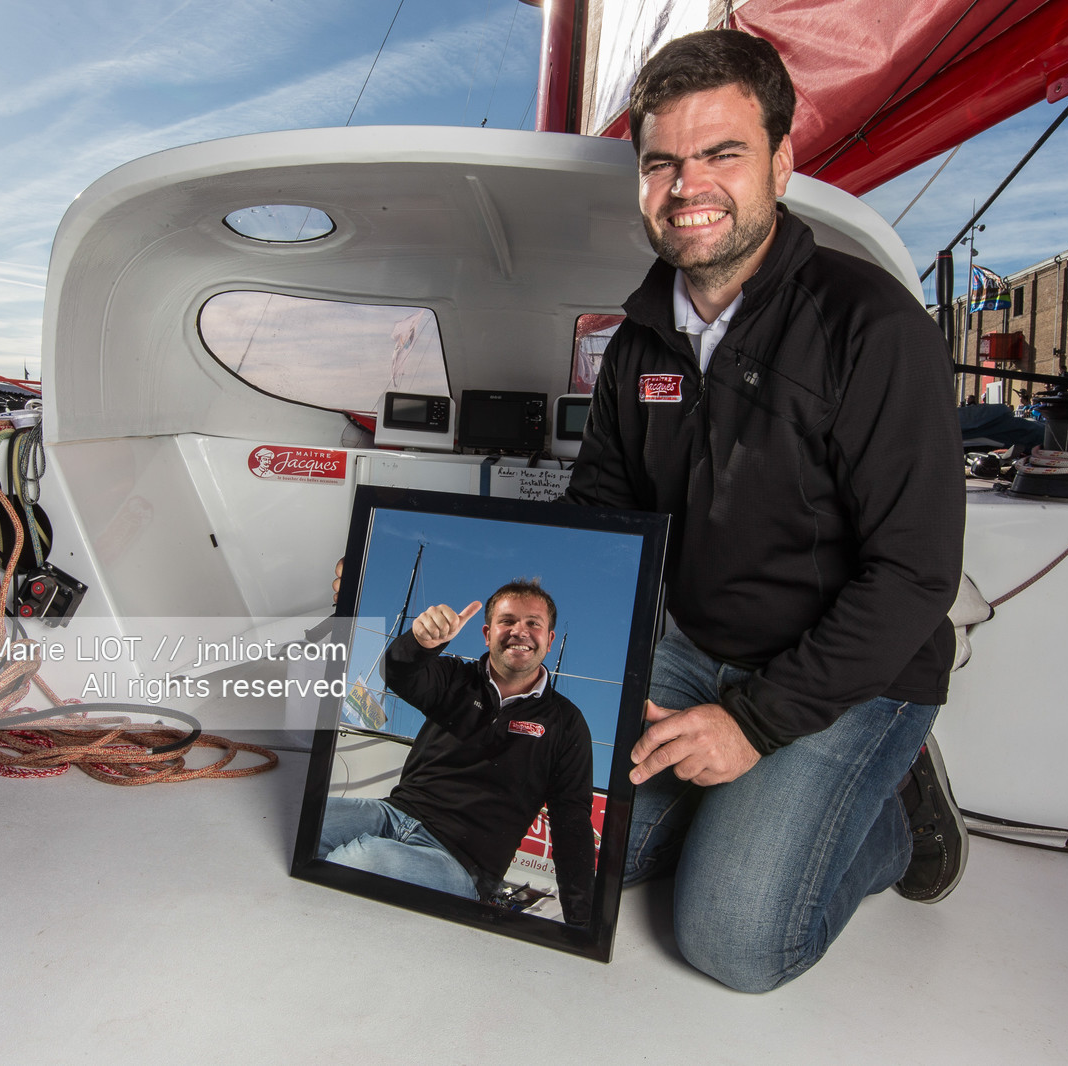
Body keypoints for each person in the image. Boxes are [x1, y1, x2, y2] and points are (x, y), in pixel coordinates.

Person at [563, 30, 966, 991]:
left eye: (721, 154)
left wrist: (751, 728)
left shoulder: (872, 327)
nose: (687, 183)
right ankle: (754, 804)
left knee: (735, 943)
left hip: (851, 669)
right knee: (561, 845)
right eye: (662, 162)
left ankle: (892, 817)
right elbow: (599, 515)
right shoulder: (638, 344)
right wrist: (443, 559)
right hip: (691, 644)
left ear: (782, 165)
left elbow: (914, 575)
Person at [318, 580, 595, 925]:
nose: (519, 631)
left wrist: (581, 927)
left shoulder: (566, 724)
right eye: (507, 621)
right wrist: (419, 644)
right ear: (487, 633)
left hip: (461, 864)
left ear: (549, 640)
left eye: (533, 623)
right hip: (391, 814)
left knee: (360, 862)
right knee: (309, 820)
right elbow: (400, 674)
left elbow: (572, 825)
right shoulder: (455, 678)